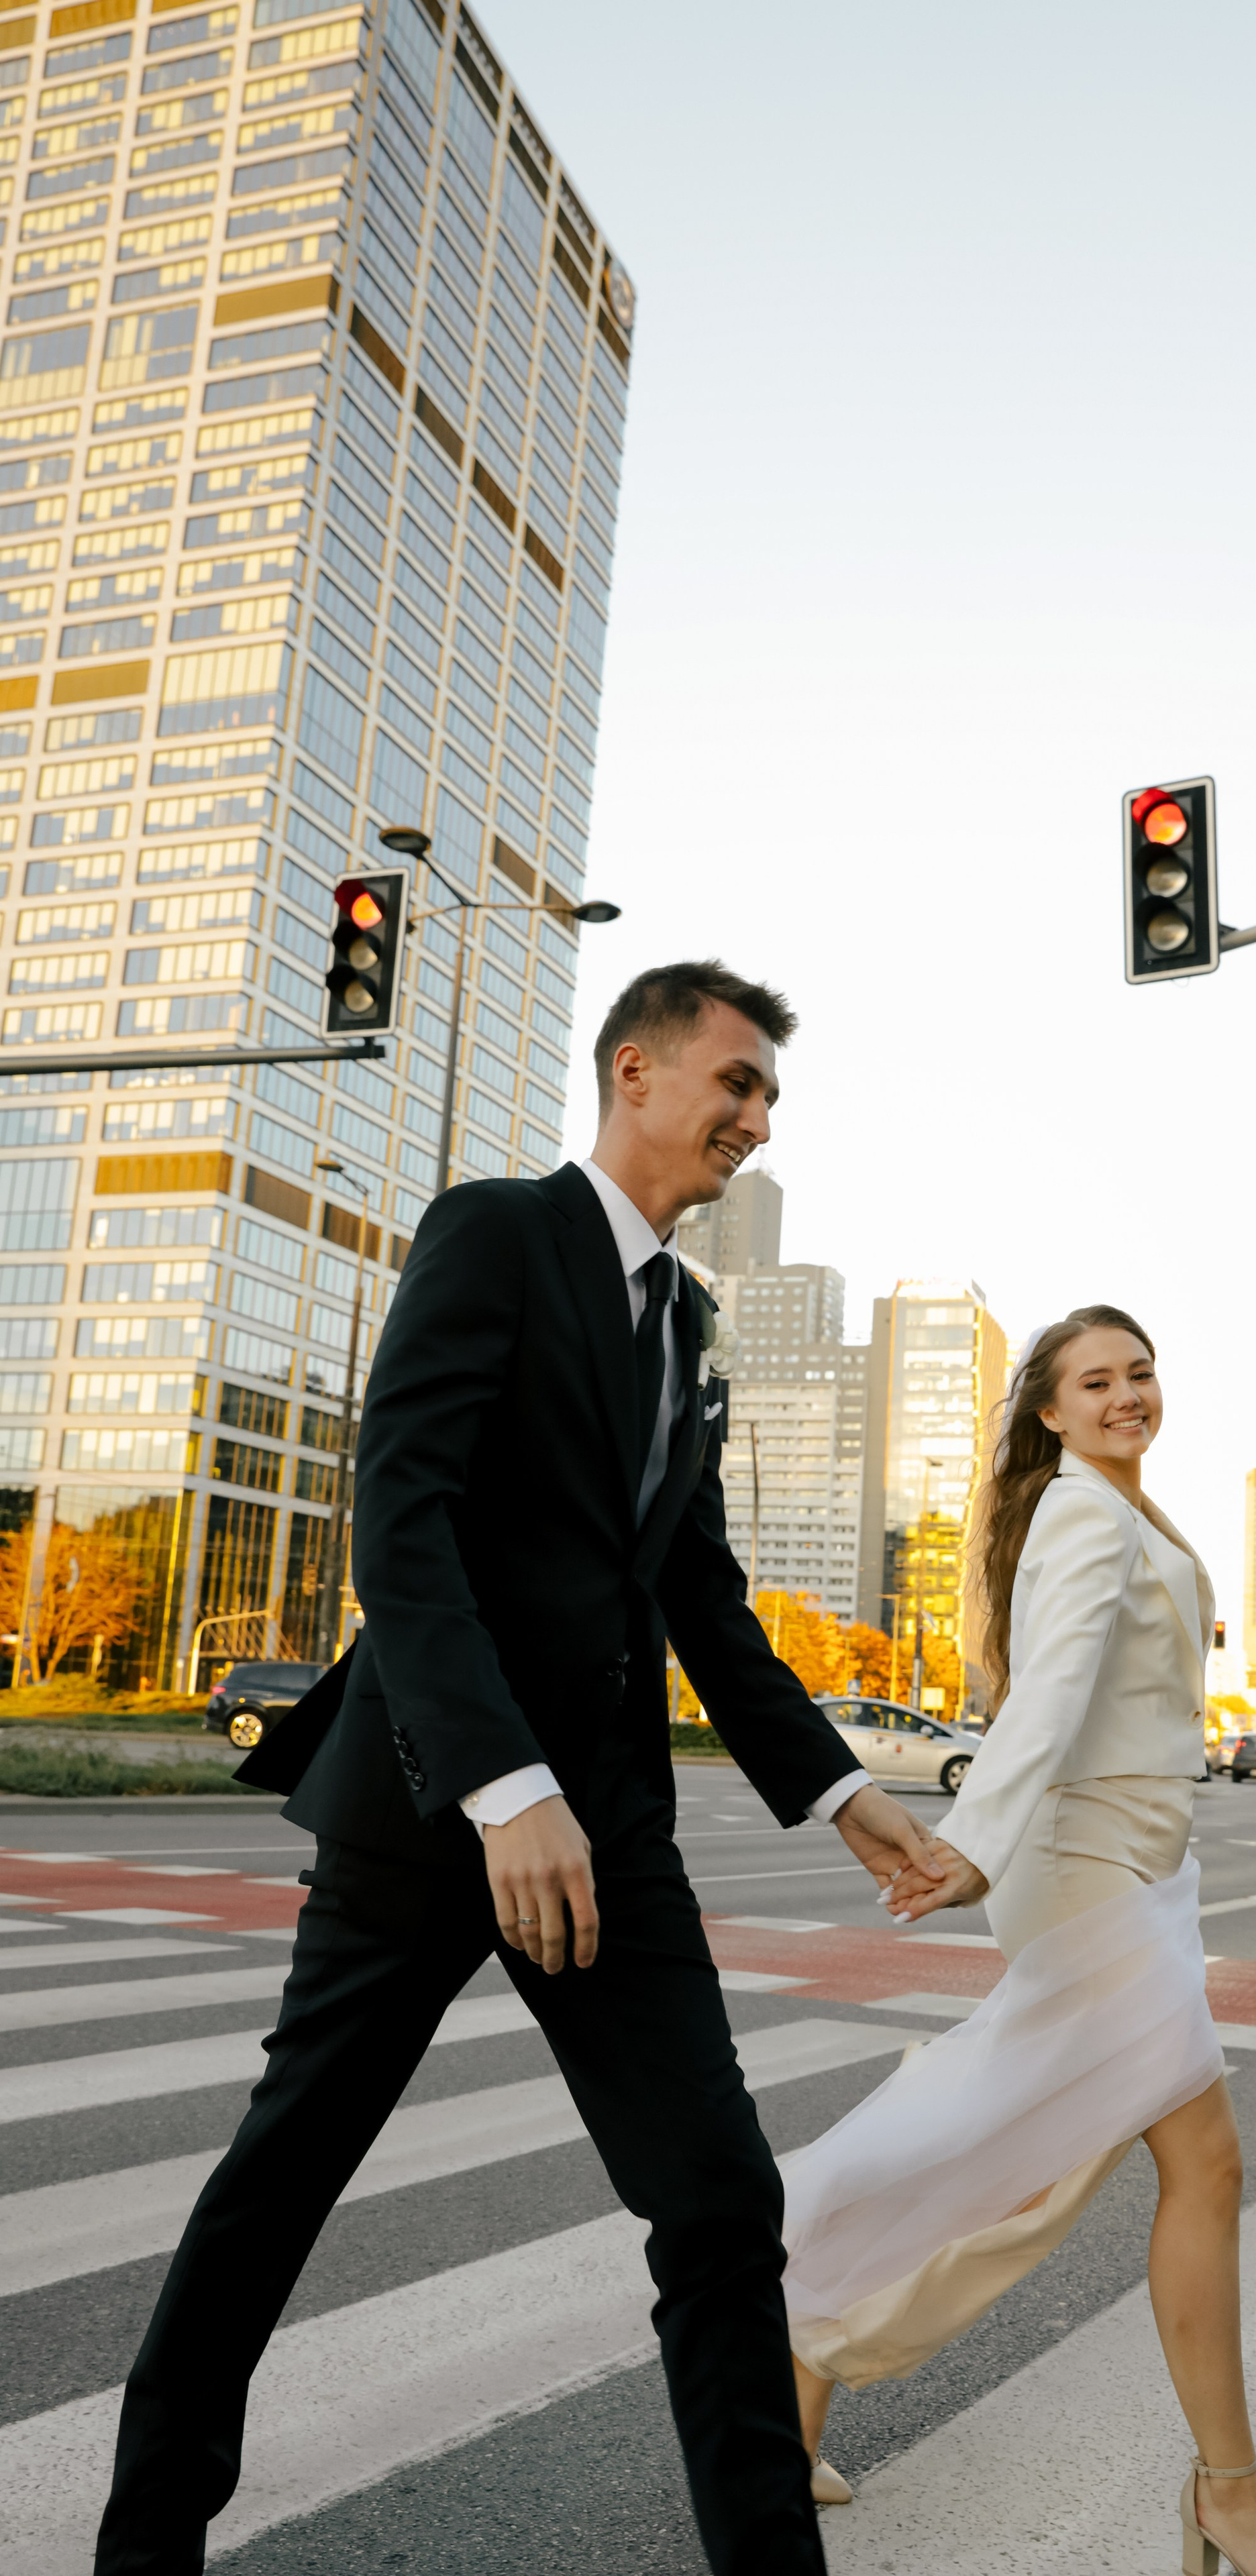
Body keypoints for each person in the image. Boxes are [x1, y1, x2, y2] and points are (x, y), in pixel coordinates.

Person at [93, 961, 936, 2576]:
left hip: (611, 1831)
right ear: (636, 1071)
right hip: (430, 1813)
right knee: (283, 2183)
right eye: (737, 1085)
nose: (756, 1122)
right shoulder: (494, 1231)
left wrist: (847, 1795)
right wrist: (502, 1785)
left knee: (715, 2202)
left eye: (768, 1101)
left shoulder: (688, 1326)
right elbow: (399, 1516)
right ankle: (145, 2547)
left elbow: (697, 1596)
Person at [781, 1307, 1256, 2576]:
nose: (1127, 1394)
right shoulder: (1085, 1513)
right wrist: (976, 1840)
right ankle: (1228, 2498)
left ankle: (798, 2352)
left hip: (1137, 1865)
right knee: (1204, 2163)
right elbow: (1053, 1690)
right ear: (1051, 1410)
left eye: (1140, 1372)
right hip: (1087, 1866)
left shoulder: (1131, 1511)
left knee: (1031, 2165)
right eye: (1097, 1381)